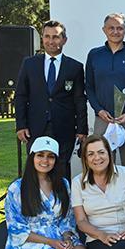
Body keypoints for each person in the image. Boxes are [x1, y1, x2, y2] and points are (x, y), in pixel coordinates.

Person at [15, 20, 88, 177]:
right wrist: (21, 125)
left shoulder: (75, 67)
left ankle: (63, 194)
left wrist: (82, 129)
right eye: (47, 36)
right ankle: (36, 194)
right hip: (35, 127)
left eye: (55, 37)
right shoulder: (29, 64)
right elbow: (20, 96)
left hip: (64, 127)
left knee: (62, 167)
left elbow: (79, 100)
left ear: (64, 40)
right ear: (42, 38)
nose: (51, 41)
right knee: (36, 168)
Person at [85, 12, 125, 175]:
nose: (115, 31)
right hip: (103, 118)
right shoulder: (94, 55)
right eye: (111, 28)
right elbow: (89, 87)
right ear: (104, 30)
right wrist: (99, 110)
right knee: (101, 165)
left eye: (119, 28)